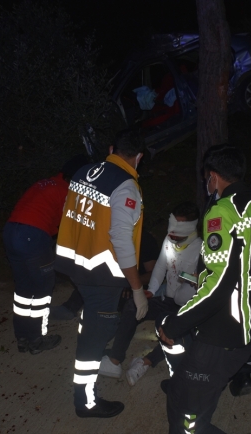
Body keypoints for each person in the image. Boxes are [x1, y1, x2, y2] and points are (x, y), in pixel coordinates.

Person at [157, 145, 251, 433]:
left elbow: (218, 284)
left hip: (220, 332)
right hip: (249, 327)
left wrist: (177, 323)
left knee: (188, 416)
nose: (206, 184)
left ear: (213, 177)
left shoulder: (223, 211)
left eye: (206, 179)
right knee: (190, 391)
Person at [55, 129, 145, 418]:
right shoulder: (126, 186)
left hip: (78, 265)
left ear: (111, 148)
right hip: (103, 274)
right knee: (97, 335)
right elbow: (121, 239)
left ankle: (87, 337)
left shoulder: (83, 171)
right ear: (138, 157)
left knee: (91, 322)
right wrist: (137, 288)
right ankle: (86, 402)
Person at [98, 201, 202, 387]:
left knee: (173, 329)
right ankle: (114, 360)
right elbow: (161, 266)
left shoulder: (202, 249)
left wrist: (192, 280)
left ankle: (147, 361)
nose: (173, 233)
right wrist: (150, 292)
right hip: (167, 298)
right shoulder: (169, 241)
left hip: (188, 305)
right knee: (133, 306)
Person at [3, 155, 88, 355]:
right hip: (32, 236)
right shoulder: (66, 191)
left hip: (10, 233)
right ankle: (36, 340)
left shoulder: (45, 183)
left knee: (24, 291)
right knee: (42, 289)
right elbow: (70, 227)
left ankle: (23, 337)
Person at [50, 229, 158, 320]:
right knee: (91, 277)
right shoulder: (109, 233)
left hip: (132, 284)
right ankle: (70, 307)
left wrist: (131, 284)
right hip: (114, 277)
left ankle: (109, 318)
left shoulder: (144, 239)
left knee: (112, 310)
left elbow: (152, 274)